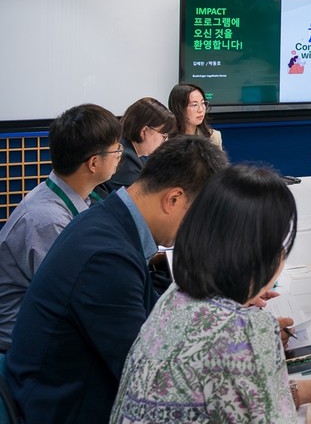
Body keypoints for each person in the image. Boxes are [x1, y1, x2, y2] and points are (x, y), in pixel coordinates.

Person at [110, 166, 311, 423]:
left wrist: (306, 390)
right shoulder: (245, 330)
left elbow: (221, 397)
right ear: (265, 254)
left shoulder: (177, 295)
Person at [4, 136, 228, 424]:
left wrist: (224, 317)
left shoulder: (109, 218)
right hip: (66, 408)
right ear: (173, 199)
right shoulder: (107, 258)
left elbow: (153, 320)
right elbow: (150, 378)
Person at [0, 104, 121, 352]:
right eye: (116, 149)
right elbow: (75, 297)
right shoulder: (48, 220)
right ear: (94, 163)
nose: (121, 154)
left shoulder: (78, 194)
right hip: (26, 341)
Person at [100, 97, 175, 194]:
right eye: (163, 135)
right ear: (144, 131)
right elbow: (140, 202)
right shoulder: (126, 159)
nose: (165, 141)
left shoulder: (130, 151)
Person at [168, 82, 223, 150]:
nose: (201, 110)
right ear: (179, 108)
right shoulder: (165, 139)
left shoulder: (213, 137)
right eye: (194, 105)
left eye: (203, 103)